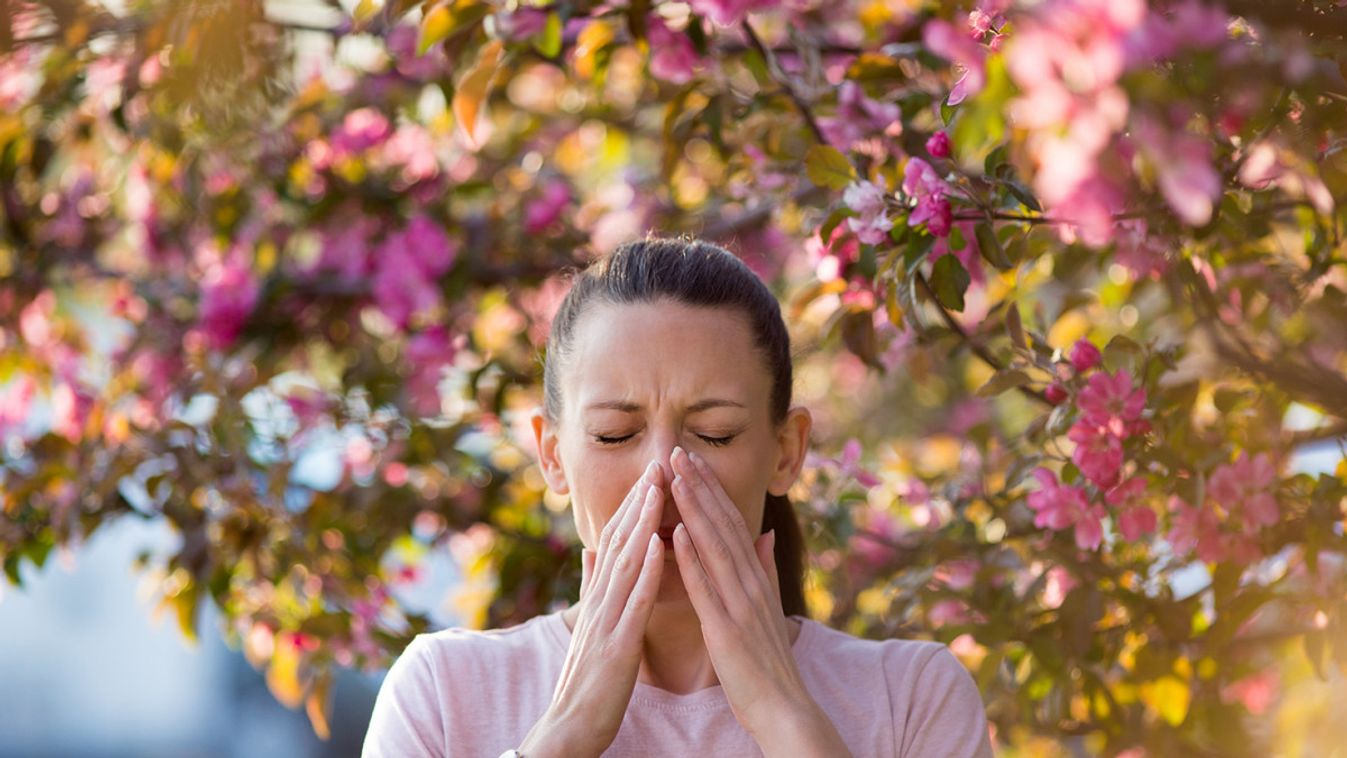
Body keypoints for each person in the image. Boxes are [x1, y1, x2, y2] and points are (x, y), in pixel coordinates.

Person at [362, 237, 993, 757]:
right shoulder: (445, 693)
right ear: (553, 456)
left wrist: (785, 718)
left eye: (715, 434)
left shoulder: (911, 696)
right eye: (615, 434)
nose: (663, 471)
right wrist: (569, 730)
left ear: (786, 451)